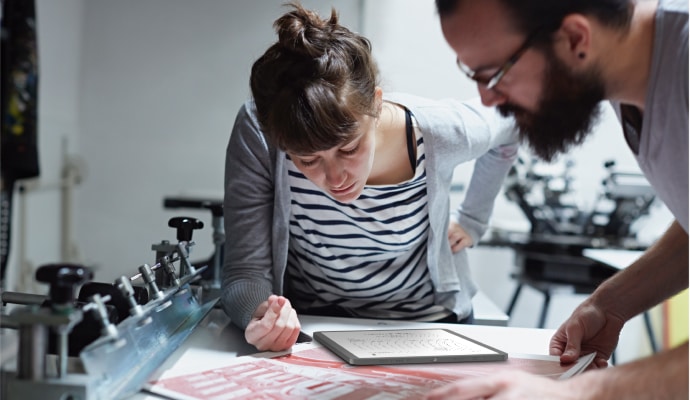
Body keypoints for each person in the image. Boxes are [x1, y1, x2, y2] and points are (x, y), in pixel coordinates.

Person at [221, 3, 519, 353]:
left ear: (376, 104)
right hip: (314, 325)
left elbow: (510, 120)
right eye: (307, 160)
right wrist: (263, 316)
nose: (335, 178)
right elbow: (244, 269)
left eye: (348, 149)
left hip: (426, 326)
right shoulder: (260, 130)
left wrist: (473, 218)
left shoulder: (438, 131)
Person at [428, 0, 688, 398]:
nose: (487, 99)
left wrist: (584, 391)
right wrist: (614, 301)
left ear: (575, 39)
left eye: (493, 74)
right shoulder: (628, 78)